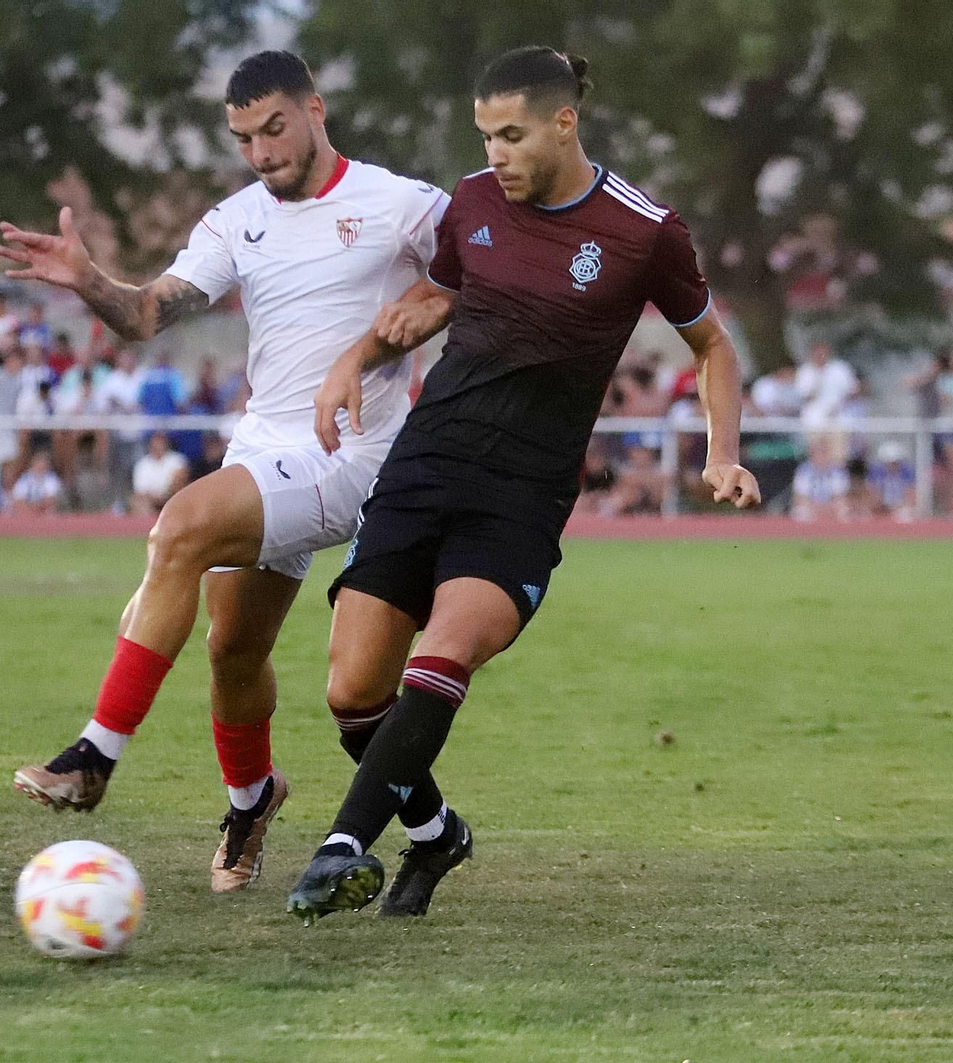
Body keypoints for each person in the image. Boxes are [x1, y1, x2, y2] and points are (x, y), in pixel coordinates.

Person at [284, 46, 760, 922]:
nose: (494, 154)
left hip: (522, 490)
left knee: (444, 653)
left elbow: (713, 346)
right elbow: (438, 296)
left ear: (563, 122)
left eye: (510, 135)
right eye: (485, 135)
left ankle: (340, 848)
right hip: (425, 464)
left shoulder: (643, 229)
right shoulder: (471, 203)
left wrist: (720, 450)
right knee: (353, 693)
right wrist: (354, 357)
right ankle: (436, 835)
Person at [0, 49, 452, 892]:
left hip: (350, 454)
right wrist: (87, 278)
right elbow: (144, 314)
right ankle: (253, 798)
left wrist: (398, 331)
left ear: (315, 110)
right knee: (234, 648)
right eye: (244, 137)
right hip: (264, 448)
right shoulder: (237, 218)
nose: (263, 152)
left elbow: (474, 277)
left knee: (180, 527)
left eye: (275, 129)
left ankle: (94, 755)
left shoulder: (401, 203)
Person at [130, 431, 191, 515]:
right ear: (150, 445)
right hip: (151, 500)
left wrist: (167, 494)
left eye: (161, 443)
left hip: (172, 496)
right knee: (138, 501)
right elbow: (140, 491)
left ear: (166, 444)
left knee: (179, 484)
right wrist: (156, 498)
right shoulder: (142, 464)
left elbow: (181, 479)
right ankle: (150, 525)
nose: (158, 446)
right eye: (155, 443)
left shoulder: (176, 459)